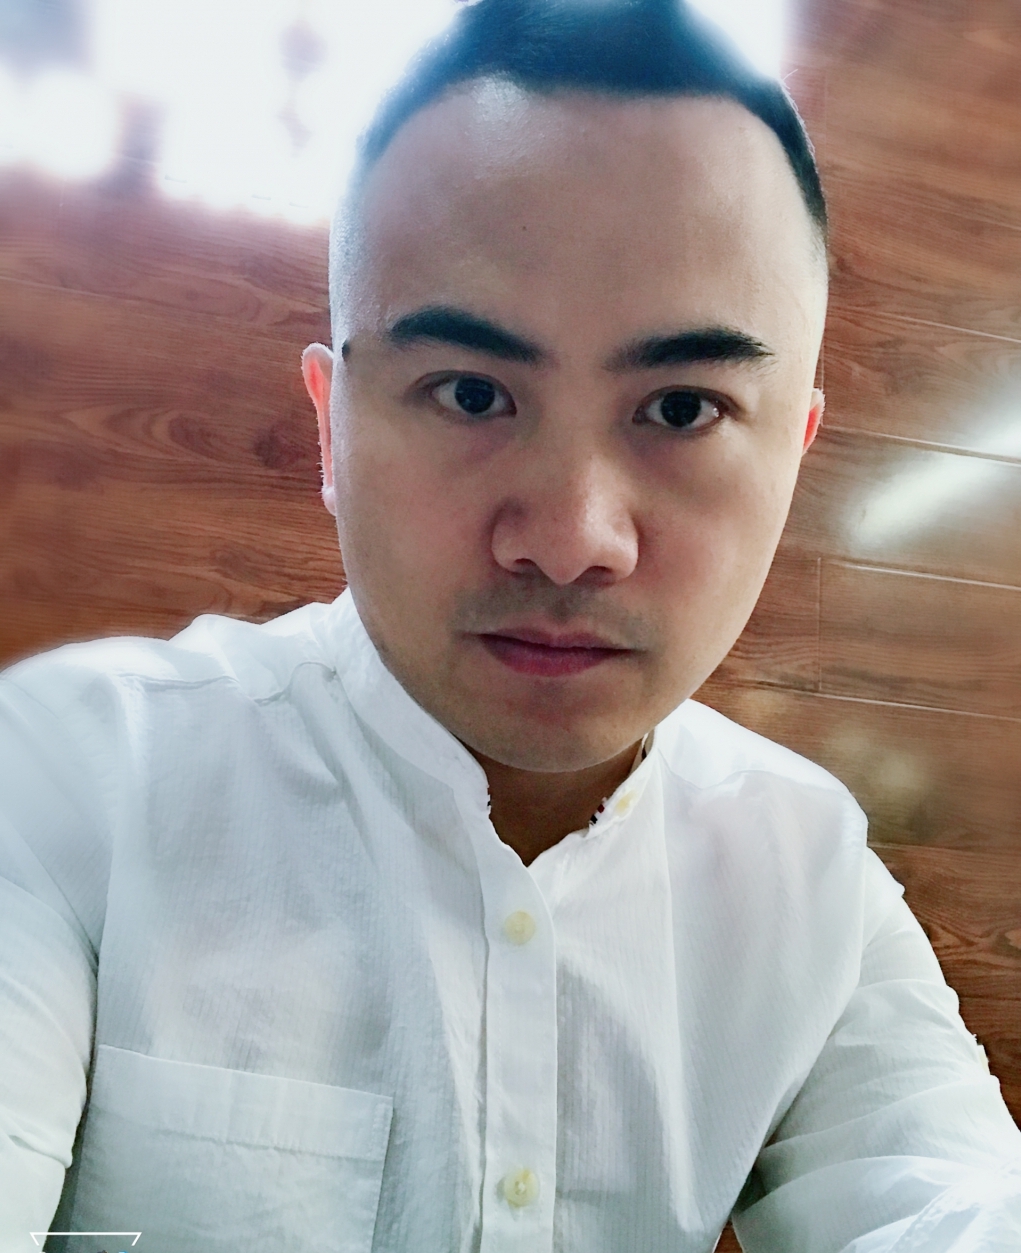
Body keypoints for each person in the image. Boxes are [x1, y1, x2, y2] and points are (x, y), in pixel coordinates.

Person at [1, 0, 1019, 1249]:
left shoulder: (805, 876)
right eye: (472, 392)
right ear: (330, 428)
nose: (571, 537)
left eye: (684, 408)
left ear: (794, 452)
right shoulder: (68, 780)